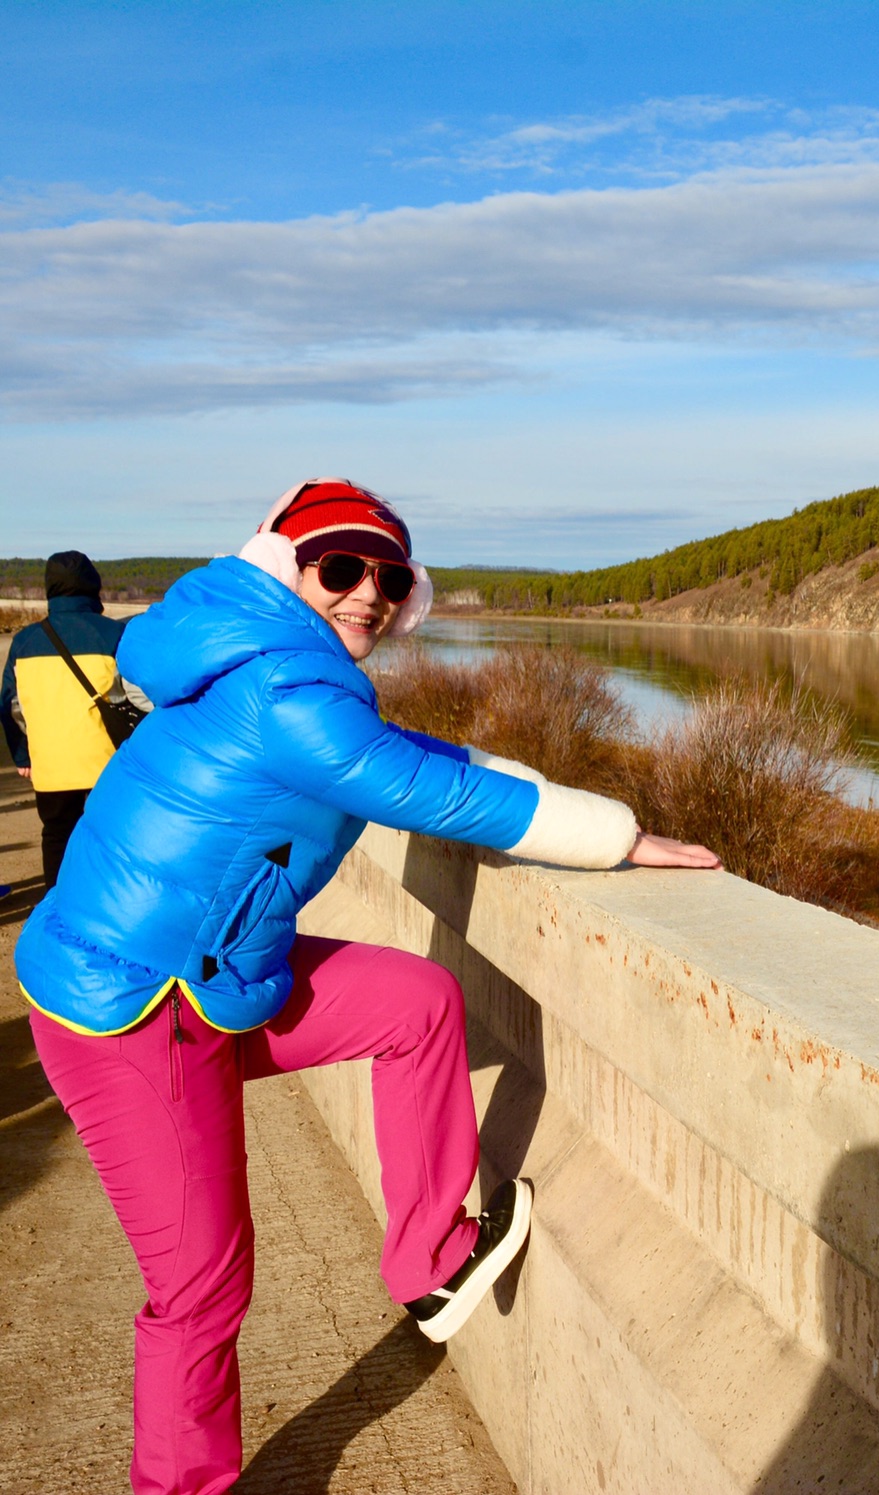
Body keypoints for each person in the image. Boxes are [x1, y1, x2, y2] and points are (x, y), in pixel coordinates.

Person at [14, 479, 720, 1495]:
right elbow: (433, 789)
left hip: (211, 975)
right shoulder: (288, 693)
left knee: (414, 1005)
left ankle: (431, 1260)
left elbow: (409, 755)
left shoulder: (260, 655)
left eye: (389, 577)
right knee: (202, 1290)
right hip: (138, 1008)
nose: (368, 594)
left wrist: (536, 782)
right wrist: (621, 835)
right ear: (286, 571)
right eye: (339, 568)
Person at [1, 551, 146, 886]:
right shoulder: (115, 635)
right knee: (111, 837)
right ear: (93, 587)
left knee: (56, 837)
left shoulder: (24, 641)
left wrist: (23, 755)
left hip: (51, 765)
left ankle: (56, 910)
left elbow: (11, 706)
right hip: (109, 763)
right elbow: (139, 697)